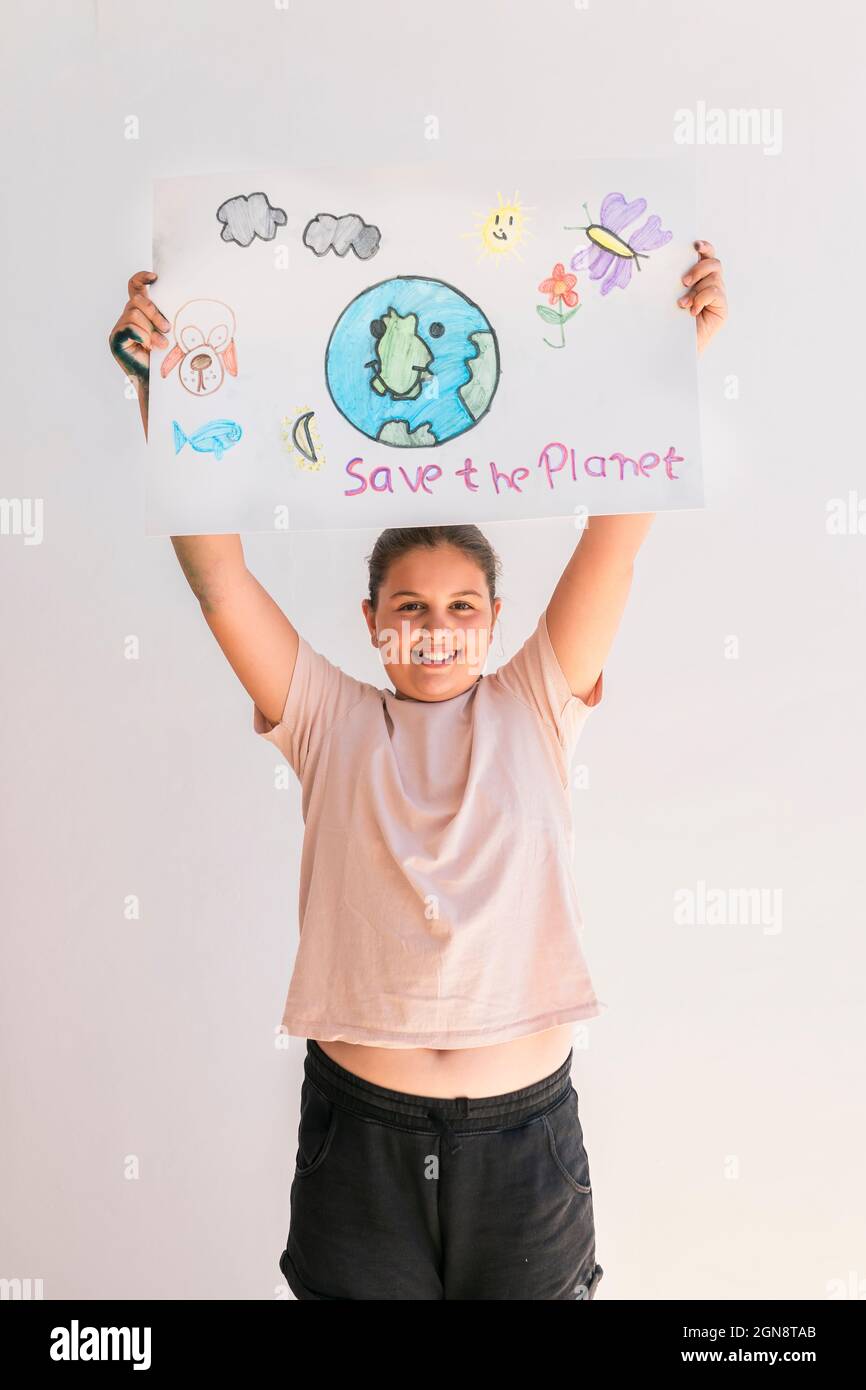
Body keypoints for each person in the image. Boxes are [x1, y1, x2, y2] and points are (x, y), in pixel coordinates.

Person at [108, 243, 727, 1299]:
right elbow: (218, 576)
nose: (434, 630)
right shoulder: (325, 717)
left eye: (458, 609)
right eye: (408, 608)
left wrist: (670, 360)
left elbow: (613, 544)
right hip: (363, 1137)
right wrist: (161, 389)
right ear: (371, 622)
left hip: (523, 1142)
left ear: (492, 619)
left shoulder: (535, 701)